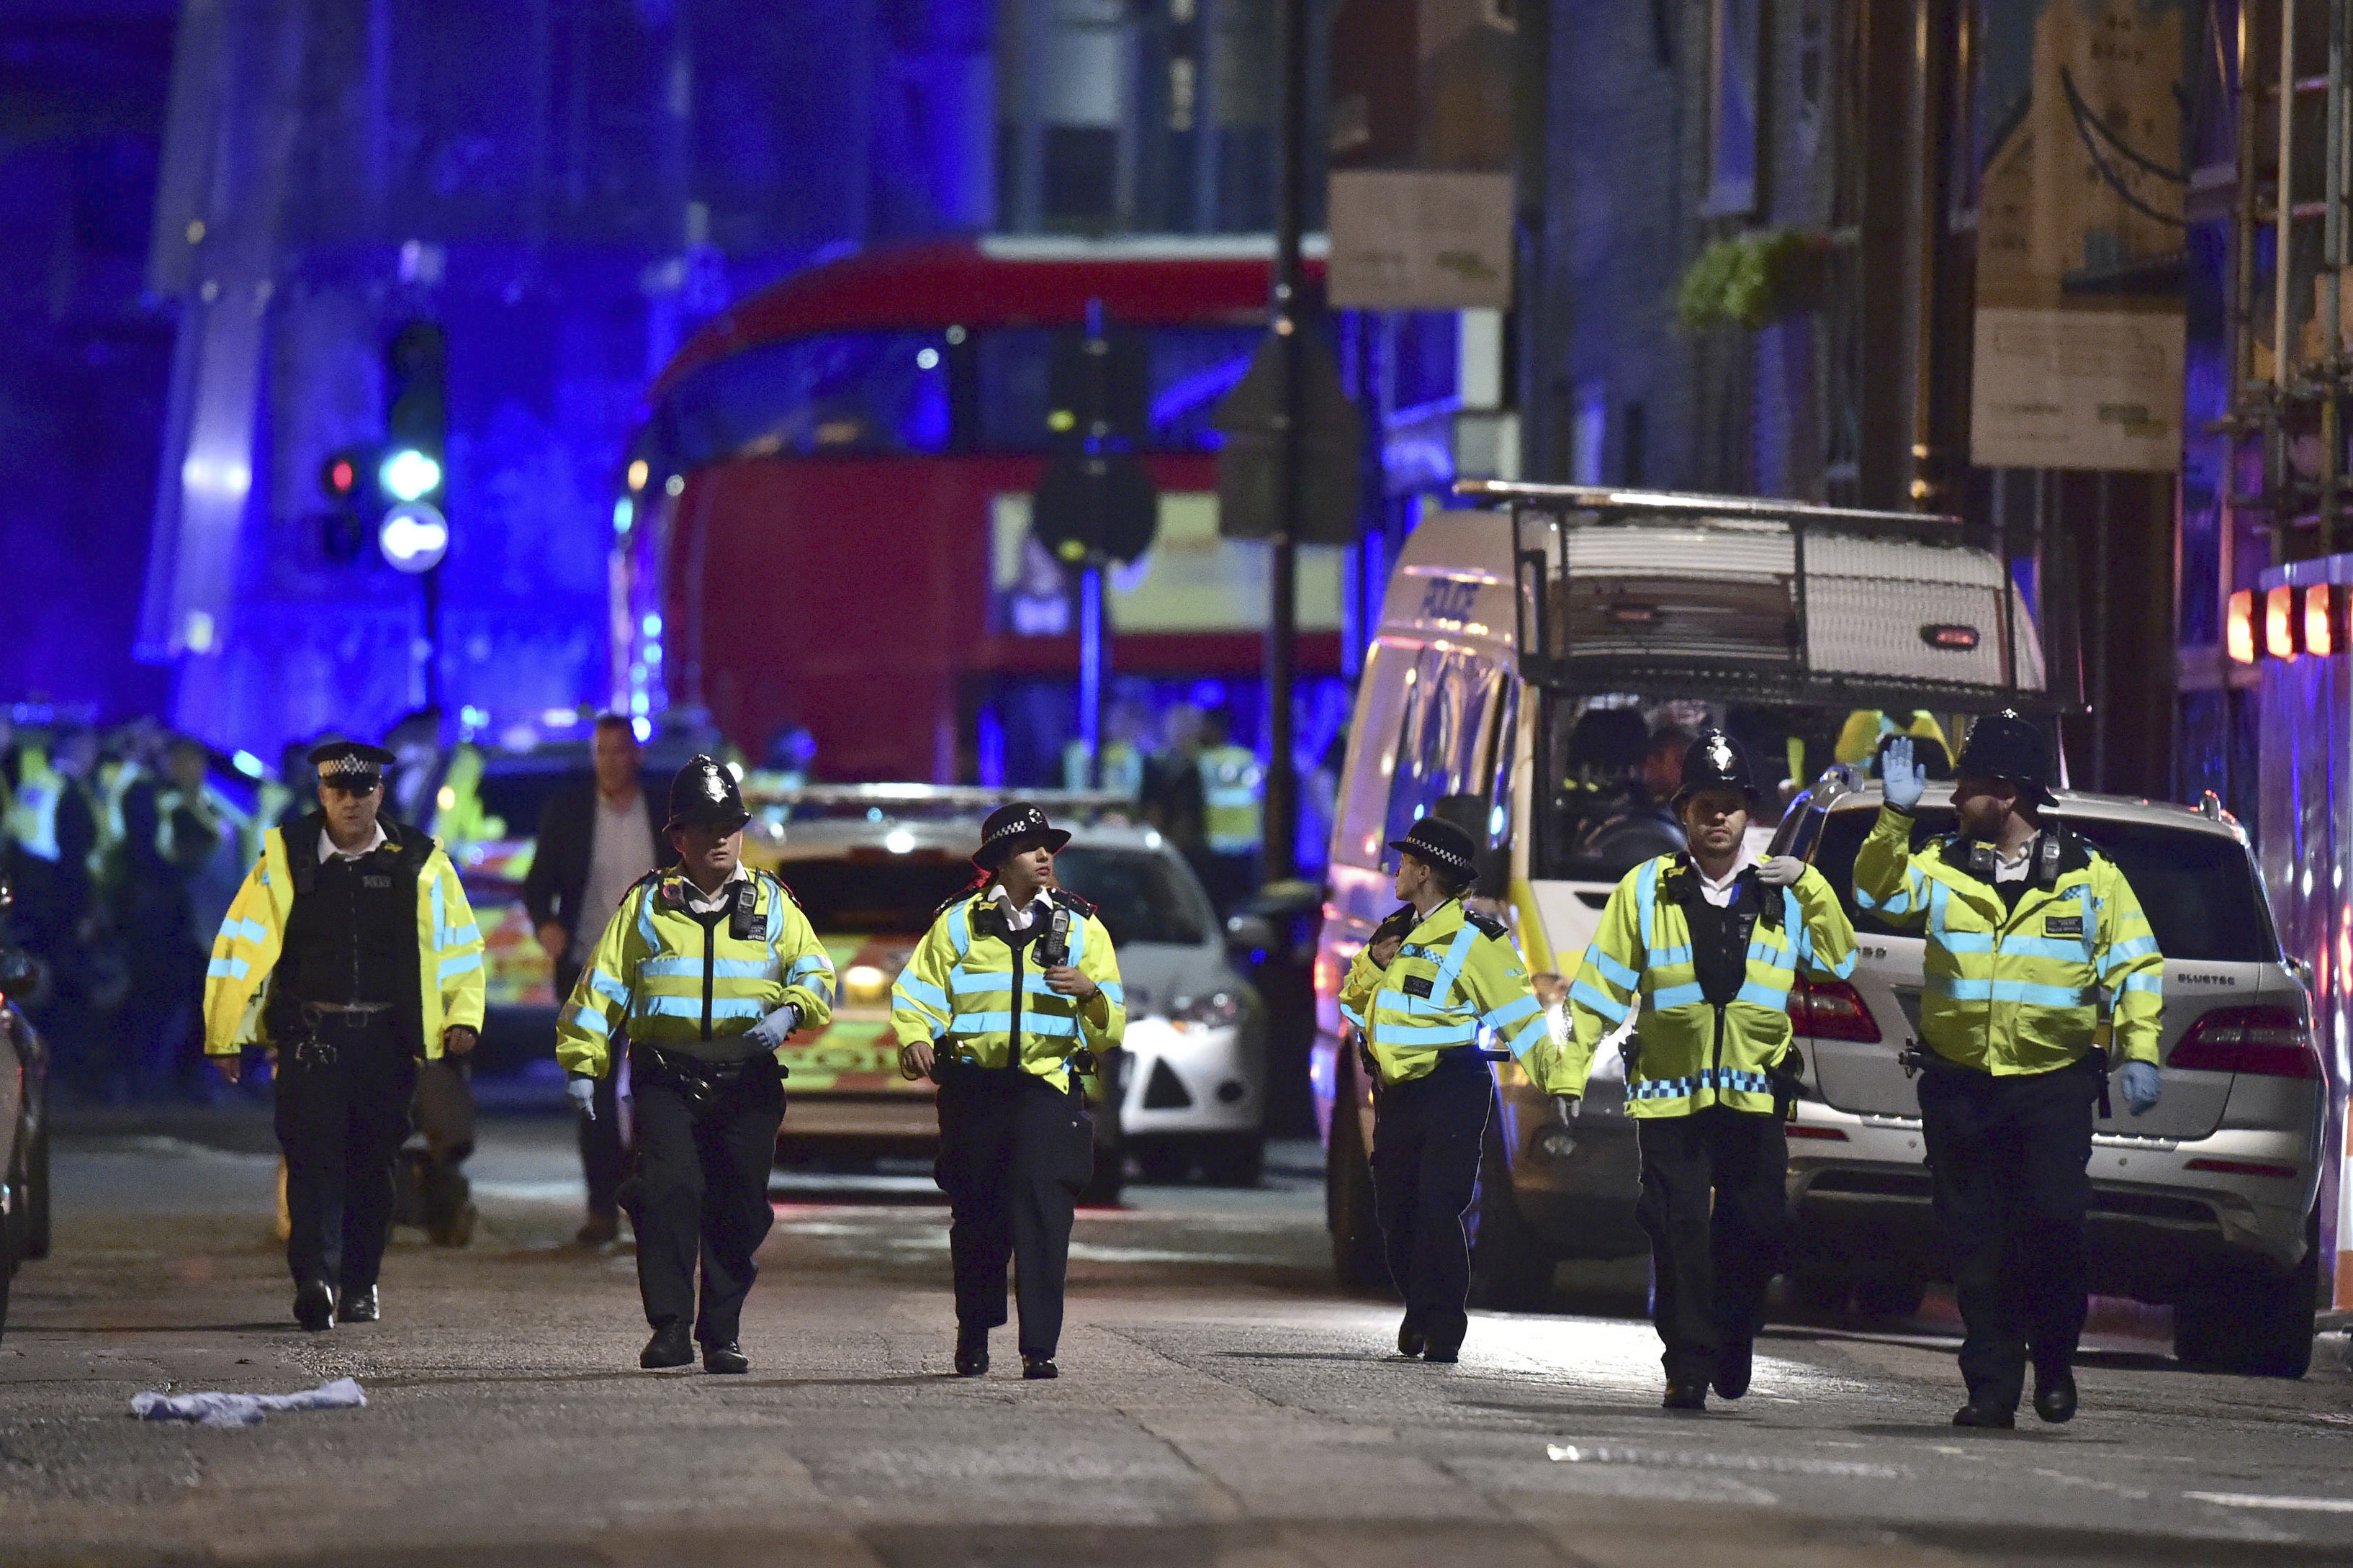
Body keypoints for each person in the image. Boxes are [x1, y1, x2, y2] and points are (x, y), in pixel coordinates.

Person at [1862, 717, 2164, 1428]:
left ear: (2005, 793)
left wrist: (2140, 1049)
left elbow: (2136, 967)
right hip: (1960, 1084)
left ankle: (2054, 1357)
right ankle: (1991, 1388)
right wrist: (1892, 817)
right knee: (1976, 1242)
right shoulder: (1941, 864)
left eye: (1966, 784)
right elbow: (1878, 893)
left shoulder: (2090, 876)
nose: (1954, 796)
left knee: (2054, 1226)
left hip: (2050, 1087)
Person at [1552, 731, 1859, 1411]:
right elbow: (1599, 988)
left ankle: (1736, 1330)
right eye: (1704, 807)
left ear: (1748, 815)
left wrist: (1810, 883)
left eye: (1730, 806)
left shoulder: (1783, 893)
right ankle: (1687, 1366)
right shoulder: (1647, 889)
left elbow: (1838, 961)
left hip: (1754, 1100)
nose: (1718, 819)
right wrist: (1571, 1069)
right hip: (1669, 1098)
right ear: (1683, 813)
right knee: (1678, 1231)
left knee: (1759, 1231)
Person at [556, 757, 834, 1373]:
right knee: (668, 1194)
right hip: (667, 1075)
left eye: (730, 825)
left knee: (738, 1205)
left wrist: (791, 1012)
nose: (719, 838)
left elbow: (816, 972)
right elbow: (602, 984)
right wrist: (583, 1062)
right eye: (705, 827)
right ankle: (671, 1326)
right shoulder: (649, 904)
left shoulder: (774, 903)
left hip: (748, 1081)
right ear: (678, 837)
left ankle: (722, 1333)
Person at [201, 741, 486, 1330]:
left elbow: (457, 943)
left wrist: (462, 1015)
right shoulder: (288, 857)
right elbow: (241, 946)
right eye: (339, 791)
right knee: (310, 1162)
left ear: (379, 794)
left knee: (372, 1167)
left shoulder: (418, 860)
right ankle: (314, 1280)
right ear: (322, 795)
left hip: (385, 1040)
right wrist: (224, 1032)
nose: (351, 802)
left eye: (362, 791)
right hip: (313, 1037)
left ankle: (360, 1283)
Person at [891, 803, 1125, 1381]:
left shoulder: (1083, 927)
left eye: (1050, 847)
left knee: (1046, 1217)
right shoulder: (958, 923)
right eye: (1031, 848)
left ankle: (1039, 1347)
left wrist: (1091, 992)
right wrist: (916, 1037)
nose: (1046, 856)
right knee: (977, 1218)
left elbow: (1112, 1027)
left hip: (1047, 1089)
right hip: (974, 1090)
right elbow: (916, 992)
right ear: (998, 861)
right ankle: (974, 1332)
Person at [1336, 816, 1545, 1364]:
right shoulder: (1392, 931)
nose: (1397, 870)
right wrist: (1373, 965)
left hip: (1454, 1084)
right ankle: (1421, 1306)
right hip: (1398, 1094)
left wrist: (1557, 1076)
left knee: (1438, 1206)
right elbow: (1353, 1005)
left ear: (1425, 871)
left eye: (1405, 862)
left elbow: (1522, 1016)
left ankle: (1444, 1326)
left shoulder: (1478, 939)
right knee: (1395, 1215)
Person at [524, 713, 665, 1244]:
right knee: (595, 1095)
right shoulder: (570, 810)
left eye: (619, 750)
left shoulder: (664, 813)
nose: (610, 761)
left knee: (657, 1096)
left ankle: (653, 1202)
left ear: (637, 756)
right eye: (601, 751)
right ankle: (601, 1209)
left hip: (657, 976)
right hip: (590, 970)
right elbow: (538, 884)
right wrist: (547, 927)